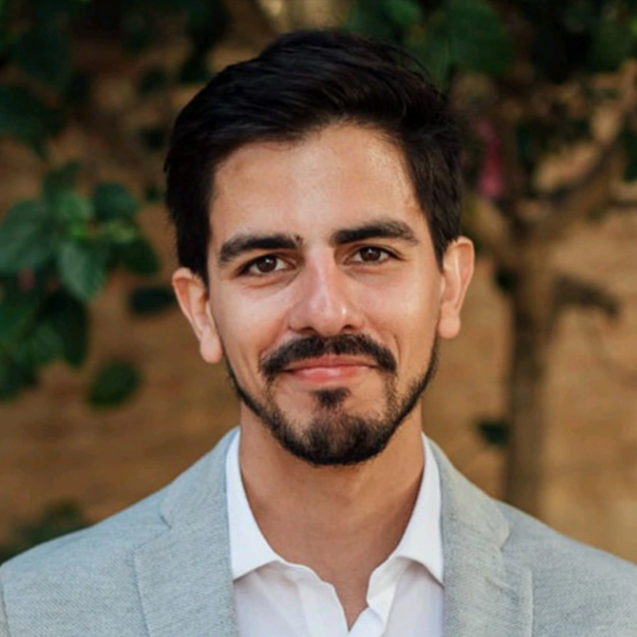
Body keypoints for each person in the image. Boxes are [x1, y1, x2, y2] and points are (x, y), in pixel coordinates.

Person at [1, 29, 636, 637]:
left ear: (450, 285)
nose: (326, 313)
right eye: (266, 264)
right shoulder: (31, 615)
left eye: (371, 254)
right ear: (202, 310)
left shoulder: (612, 615)